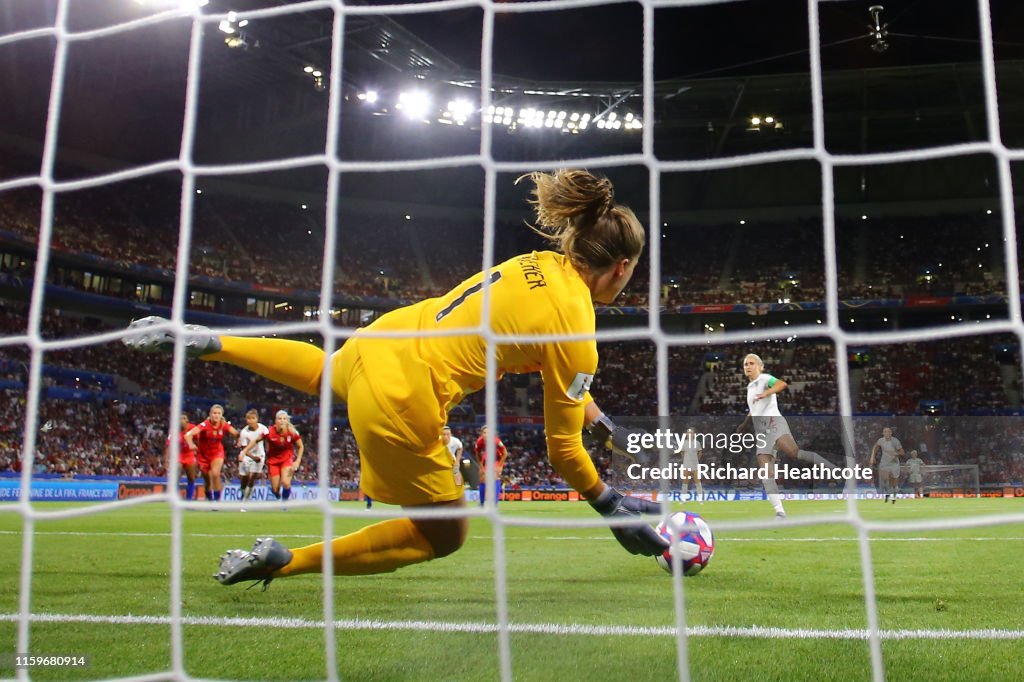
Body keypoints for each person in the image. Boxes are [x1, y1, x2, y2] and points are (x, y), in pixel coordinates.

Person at [124, 169, 668, 588]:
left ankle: (215, 341)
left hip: (383, 340)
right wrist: (610, 505)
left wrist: (602, 420)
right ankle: (286, 562)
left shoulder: (534, 264)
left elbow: (545, 360)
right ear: (622, 267)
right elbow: (561, 451)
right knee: (445, 534)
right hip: (408, 395)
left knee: (326, 371)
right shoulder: (578, 325)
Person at [736, 353, 842, 519]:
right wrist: (743, 425)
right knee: (765, 473)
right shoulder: (750, 388)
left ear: (760, 367)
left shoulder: (765, 379)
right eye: (745, 364)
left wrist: (766, 393)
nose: (747, 366)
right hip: (762, 431)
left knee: (794, 453)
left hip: (774, 422)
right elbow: (754, 410)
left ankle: (832, 468)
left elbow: (781, 384)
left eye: (751, 363)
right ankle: (780, 511)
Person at [240, 410, 304, 507]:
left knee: (286, 483)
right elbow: (255, 440)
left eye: (284, 419)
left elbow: (301, 446)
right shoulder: (269, 431)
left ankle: (284, 504)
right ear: (275, 421)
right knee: (275, 489)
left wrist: (297, 461)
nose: (282, 421)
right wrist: (244, 451)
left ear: (287, 421)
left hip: (287, 460)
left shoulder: (292, 432)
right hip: (273, 462)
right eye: (279, 419)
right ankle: (279, 498)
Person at [184, 404, 239, 505]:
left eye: (218, 413)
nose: (216, 415)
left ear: (221, 415)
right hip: (203, 455)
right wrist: (191, 444)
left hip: (217, 453)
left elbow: (236, 433)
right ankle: (209, 497)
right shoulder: (205, 425)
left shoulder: (224, 425)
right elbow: (188, 435)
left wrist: (239, 440)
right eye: (214, 413)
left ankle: (217, 502)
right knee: (208, 480)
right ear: (210, 414)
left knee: (215, 474)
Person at [235, 409, 269, 506]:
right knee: (244, 479)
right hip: (247, 456)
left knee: (252, 477)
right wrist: (253, 457)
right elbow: (244, 448)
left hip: (259, 455)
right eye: (248, 419)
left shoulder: (263, 428)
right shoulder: (244, 432)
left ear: (257, 419)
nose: (250, 421)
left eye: (253, 418)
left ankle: (245, 500)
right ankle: (243, 493)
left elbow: (267, 438)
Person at [165, 412, 198, 500]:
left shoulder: (193, 428)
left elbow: (201, 440)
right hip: (178, 455)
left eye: (183, 418)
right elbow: (168, 446)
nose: (180, 421)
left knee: (191, 478)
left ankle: (189, 500)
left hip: (189, 454)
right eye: (179, 419)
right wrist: (166, 461)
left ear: (187, 420)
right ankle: (175, 498)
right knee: (176, 475)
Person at [474, 426, 508, 506]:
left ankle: (495, 503)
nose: (486, 434)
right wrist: (481, 466)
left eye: (488, 432)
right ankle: (482, 503)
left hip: (497, 459)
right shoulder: (479, 441)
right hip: (487, 459)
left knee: (495, 476)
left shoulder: (496, 441)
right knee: (482, 478)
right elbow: (477, 454)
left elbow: (505, 453)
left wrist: (499, 466)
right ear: (481, 434)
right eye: (484, 433)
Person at [870, 427, 904, 504]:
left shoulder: (895, 441)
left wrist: (896, 453)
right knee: (885, 479)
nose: (887, 433)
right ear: (883, 433)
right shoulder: (881, 440)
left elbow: (902, 452)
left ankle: (894, 497)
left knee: (894, 482)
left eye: (888, 431)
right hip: (884, 463)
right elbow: (875, 447)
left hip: (894, 463)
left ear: (891, 433)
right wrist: (873, 456)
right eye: (885, 432)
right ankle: (887, 494)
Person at [676, 427, 703, 502]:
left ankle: (700, 499)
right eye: (688, 433)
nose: (689, 434)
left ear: (694, 434)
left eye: (691, 433)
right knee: (685, 481)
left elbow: (700, 452)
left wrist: (696, 460)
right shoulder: (684, 442)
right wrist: (686, 460)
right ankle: (683, 499)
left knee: (697, 481)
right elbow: (682, 453)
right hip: (687, 464)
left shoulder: (697, 443)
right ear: (686, 434)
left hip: (695, 465)